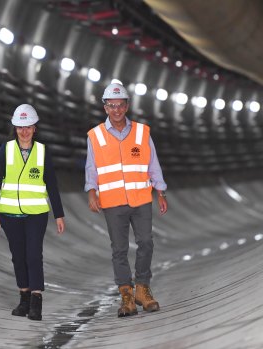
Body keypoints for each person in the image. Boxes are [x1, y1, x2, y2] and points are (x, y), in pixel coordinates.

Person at [85, 83, 168, 318]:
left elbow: (153, 164)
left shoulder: (142, 132)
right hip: (112, 202)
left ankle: (142, 289)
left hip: (140, 198)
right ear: (105, 107)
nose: (117, 110)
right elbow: (91, 167)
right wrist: (92, 191)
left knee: (146, 242)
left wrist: (160, 191)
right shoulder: (96, 135)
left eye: (120, 105)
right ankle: (127, 297)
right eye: (112, 106)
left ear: (127, 106)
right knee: (119, 250)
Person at [0, 104, 65, 321]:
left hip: (36, 214)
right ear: (15, 128)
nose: (24, 131)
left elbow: (51, 183)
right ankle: (24, 298)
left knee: (33, 255)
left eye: (28, 126)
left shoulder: (42, 151)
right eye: (20, 127)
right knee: (18, 258)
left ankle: (36, 301)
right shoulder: (6, 149)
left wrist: (59, 214)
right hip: (10, 214)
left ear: (34, 128)